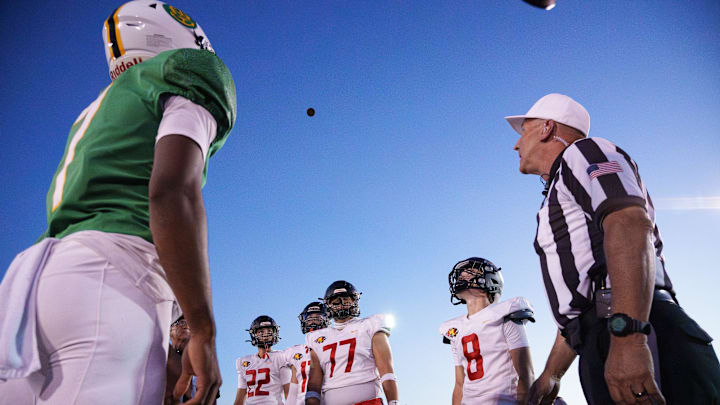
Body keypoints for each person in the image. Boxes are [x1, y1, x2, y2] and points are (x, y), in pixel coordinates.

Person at [0, 1, 236, 404]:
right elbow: (171, 191)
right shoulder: (189, 70)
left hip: (30, 290)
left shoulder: (97, 109)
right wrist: (202, 329)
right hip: (114, 274)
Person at [504, 93, 720, 404]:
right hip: (607, 331)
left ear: (547, 128)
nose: (516, 145)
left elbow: (629, 224)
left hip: (630, 327)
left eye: (523, 132)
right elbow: (582, 300)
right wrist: (552, 374)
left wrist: (629, 338)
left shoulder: (584, 151)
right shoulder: (561, 185)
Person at [439, 257, 535, 405]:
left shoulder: (506, 315)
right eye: (460, 274)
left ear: (491, 280)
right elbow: (459, 383)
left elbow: (526, 375)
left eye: (470, 271)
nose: (462, 275)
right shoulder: (454, 329)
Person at [305, 280, 399, 405]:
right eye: (335, 302)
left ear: (355, 301)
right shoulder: (316, 338)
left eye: (346, 300)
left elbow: (386, 369)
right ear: (327, 305)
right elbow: (314, 383)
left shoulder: (370, 324)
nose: (341, 305)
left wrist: (393, 402)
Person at [234, 316, 291, 405]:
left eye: (269, 331)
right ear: (254, 334)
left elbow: (288, 392)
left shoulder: (281, 357)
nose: (266, 334)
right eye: (261, 331)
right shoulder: (243, 362)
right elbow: (240, 397)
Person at [283, 301, 330, 405]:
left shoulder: (334, 343)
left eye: (317, 318)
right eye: (309, 318)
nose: (312, 321)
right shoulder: (295, 351)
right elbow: (294, 386)